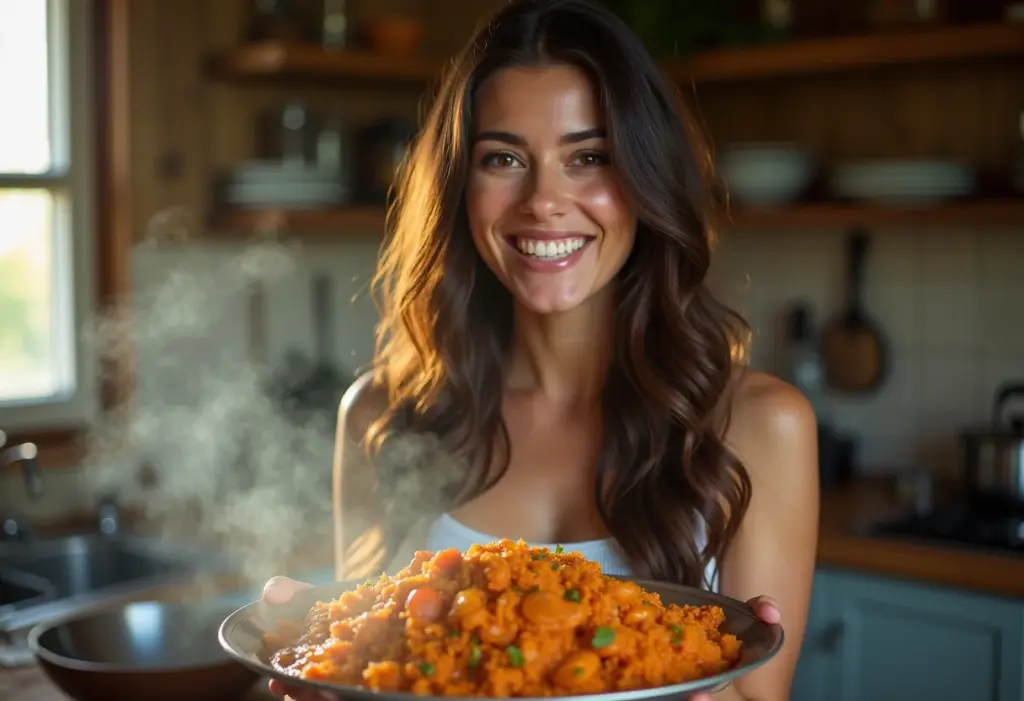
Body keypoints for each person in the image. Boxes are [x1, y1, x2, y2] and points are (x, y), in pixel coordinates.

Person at [263, 0, 819, 699]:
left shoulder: (763, 424)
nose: (543, 202)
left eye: (589, 157)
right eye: (503, 159)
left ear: (648, 180)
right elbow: (370, 660)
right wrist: (316, 674)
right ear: (460, 186)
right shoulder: (380, 413)